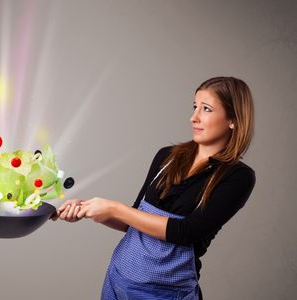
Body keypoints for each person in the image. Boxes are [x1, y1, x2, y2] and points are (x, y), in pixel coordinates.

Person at [51, 76, 256, 300]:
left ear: (233, 119)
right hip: (117, 278)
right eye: (194, 106)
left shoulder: (238, 177)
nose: (193, 117)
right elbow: (135, 219)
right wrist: (89, 209)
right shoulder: (167, 157)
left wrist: (114, 209)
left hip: (165, 293)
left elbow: (186, 232)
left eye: (206, 109)